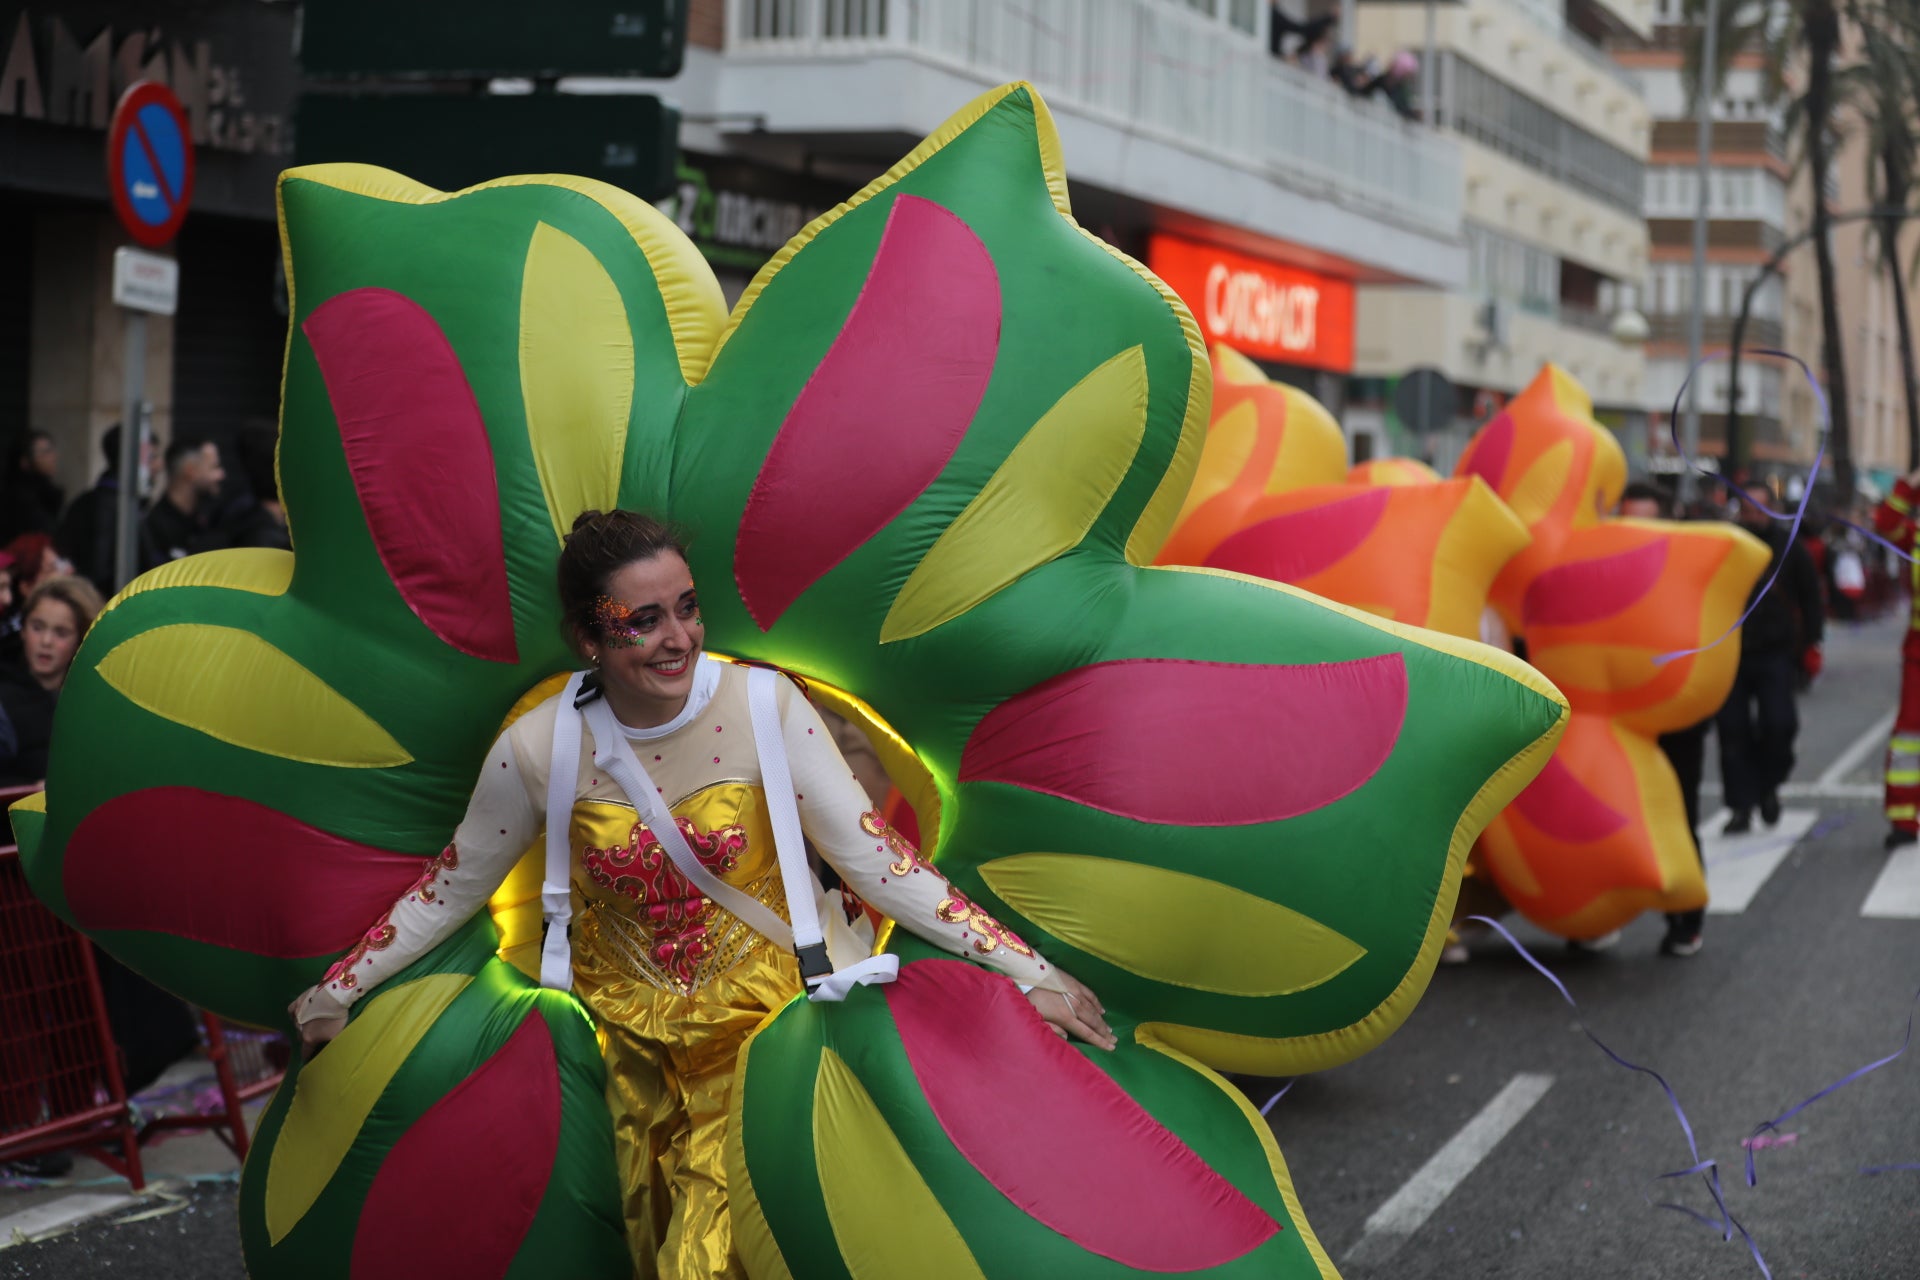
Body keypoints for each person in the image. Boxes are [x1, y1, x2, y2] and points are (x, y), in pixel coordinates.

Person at [290, 510, 1114, 1278]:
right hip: (622, 1052)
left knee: (711, 1255)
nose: (678, 638)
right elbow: (451, 886)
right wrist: (339, 990)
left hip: (770, 1020)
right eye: (643, 621)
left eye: (687, 608)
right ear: (588, 636)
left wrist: (1028, 970)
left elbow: (876, 860)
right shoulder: (540, 749)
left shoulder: (764, 706)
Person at [1619, 482, 1708, 956]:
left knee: (1678, 811)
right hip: (1614, 714)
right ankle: (1589, 919)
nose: (1638, 532)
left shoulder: (1686, 572)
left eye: (1647, 521)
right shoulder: (1602, 568)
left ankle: (1686, 919)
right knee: (1605, 810)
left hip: (1675, 716)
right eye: (1628, 521)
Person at [1717, 483, 1823, 835]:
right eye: (1748, 510)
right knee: (1732, 732)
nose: (1753, 517)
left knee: (1780, 725)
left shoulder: (1790, 546)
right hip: (1729, 653)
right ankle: (1740, 806)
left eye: (1759, 510)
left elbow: (1810, 596)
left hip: (1776, 653)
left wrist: (1813, 642)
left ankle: (1768, 784)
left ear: (1772, 509)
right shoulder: (1725, 544)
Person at [0, 575, 104, 785]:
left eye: (61, 632)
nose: (46, 641)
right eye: (37, 627)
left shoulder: (97, 702)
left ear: (80, 640)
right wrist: (29, 790)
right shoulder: (4, 700)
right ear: (22, 629)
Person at [55, 423, 164, 594]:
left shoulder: (88, 502)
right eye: (152, 458)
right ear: (133, 460)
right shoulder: (116, 509)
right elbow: (99, 570)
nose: (159, 466)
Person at [1872, 472, 1920, 850]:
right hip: (1918, 656)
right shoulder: (1916, 536)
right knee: (1909, 737)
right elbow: (1885, 523)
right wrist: (1909, 483)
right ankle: (1904, 818)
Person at [146, 438, 229, 562]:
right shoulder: (154, 530)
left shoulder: (211, 522)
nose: (221, 474)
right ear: (191, 471)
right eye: (214, 467)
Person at [0, 431, 64, 544]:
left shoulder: (47, 494)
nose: (53, 457)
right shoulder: (20, 499)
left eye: (51, 450)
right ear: (24, 462)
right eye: (45, 452)